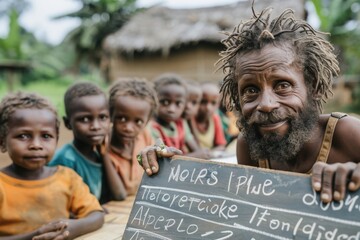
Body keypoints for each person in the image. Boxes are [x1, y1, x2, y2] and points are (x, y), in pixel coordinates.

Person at [138, 6, 360, 203]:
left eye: (282, 85)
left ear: (314, 88)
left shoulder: (346, 134)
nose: (266, 105)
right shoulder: (251, 147)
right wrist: (175, 168)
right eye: (250, 90)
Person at [0, 92, 104, 239]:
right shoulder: (2, 185)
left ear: (56, 139)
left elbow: (96, 215)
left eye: (46, 136)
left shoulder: (67, 178)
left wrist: (73, 228)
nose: (36, 145)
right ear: (2, 142)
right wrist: (35, 236)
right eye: (23, 136)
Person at [49, 82, 126, 203]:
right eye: (85, 119)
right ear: (68, 123)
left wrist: (104, 155)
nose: (96, 126)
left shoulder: (97, 155)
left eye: (102, 117)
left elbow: (120, 195)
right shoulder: (65, 160)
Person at [108, 78, 157, 196]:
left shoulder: (145, 136)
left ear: (147, 121)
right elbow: (118, 195)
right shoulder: (103, 147)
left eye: (138, 121)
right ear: (110, 114)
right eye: (122, 118)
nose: (129, 128)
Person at [150, 73, 202, 155]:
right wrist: (196, 156)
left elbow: (196, 150)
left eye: (178, 103)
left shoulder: (180, 123)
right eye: (165, 102)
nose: (171, 109)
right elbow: (163, 161)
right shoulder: (152, 128)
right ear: (153, 101)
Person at [189, 82, 227, 151]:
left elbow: (221, 145)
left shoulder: (215, 118)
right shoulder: (189, 119)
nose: (208, 107)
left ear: (218, 105)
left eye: (213, 103)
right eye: (203, 102)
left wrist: (209, 153)